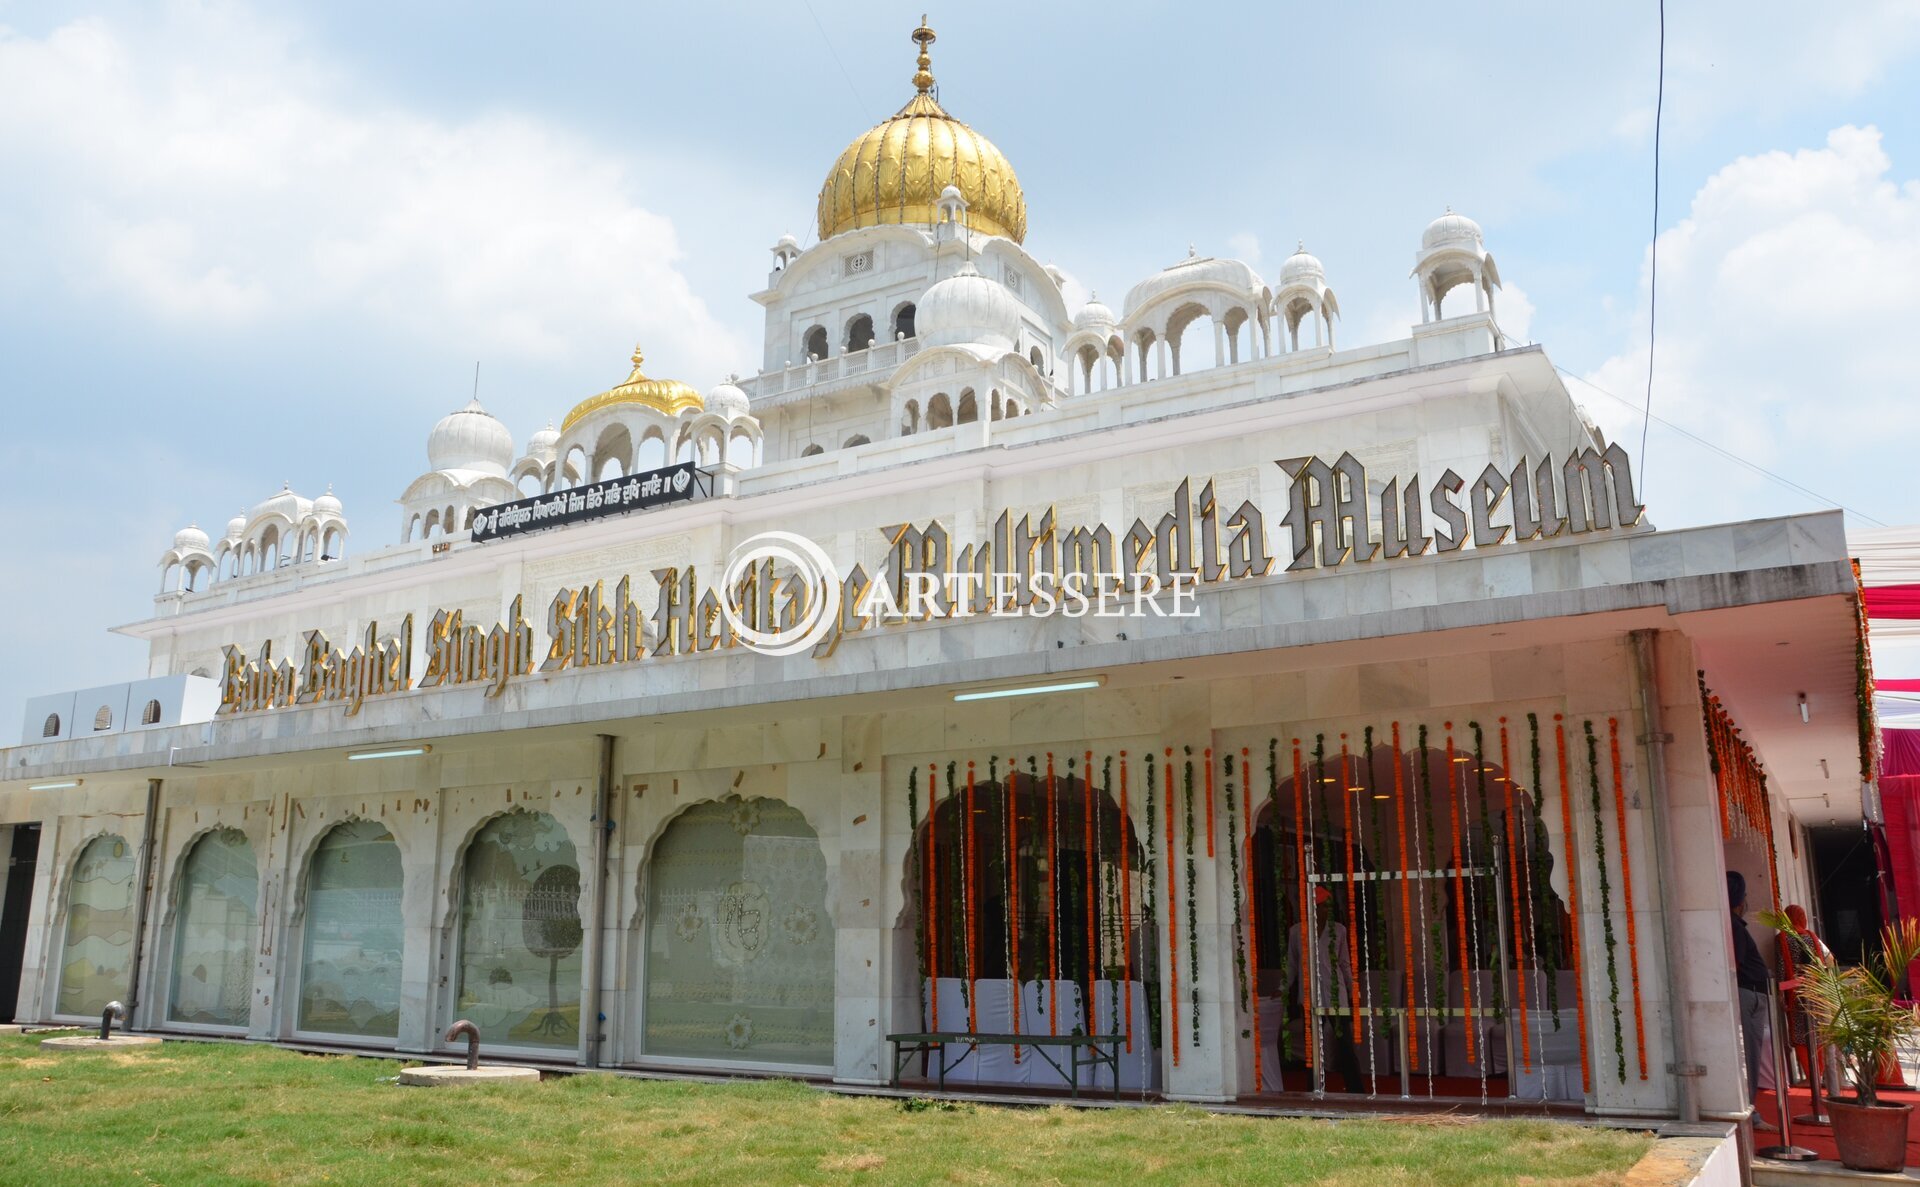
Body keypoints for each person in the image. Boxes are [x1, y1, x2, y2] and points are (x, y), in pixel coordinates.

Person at [1286, 886, 1364, 1094]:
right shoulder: (1297, 932)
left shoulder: (1338, 930)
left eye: (1328, 907)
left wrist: (1352, 990)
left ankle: (1355, 1088)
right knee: (1312, 1047)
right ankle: (1314, 1089)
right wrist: (1283, 987)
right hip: (1310, 996)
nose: (1325, 911)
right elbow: (1292, 965)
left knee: (1345, 1044)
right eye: (1322, 907)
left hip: (1335, 994)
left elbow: (1344, 963)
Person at [1728, 871, 1779, 1131]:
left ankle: (1750, 1111)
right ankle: (1750, 1114)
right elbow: (1733, 965)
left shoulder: (1736, 926)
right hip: (1747, 994)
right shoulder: (1734, 926)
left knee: (1752, 1054)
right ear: (1739, 900)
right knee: (1748, 1055)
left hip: (1752, 993)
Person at [1781, 903, 1843, 1097]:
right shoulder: (1812, 938)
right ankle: (1827, 1084)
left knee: (1800, 1036)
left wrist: (1782, 993)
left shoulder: (1783, 939)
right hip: (1819, 993)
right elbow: (1827, 962)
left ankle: (1813, 1078)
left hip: (1797, 994)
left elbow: (1782, 970)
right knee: (1820, 1038)